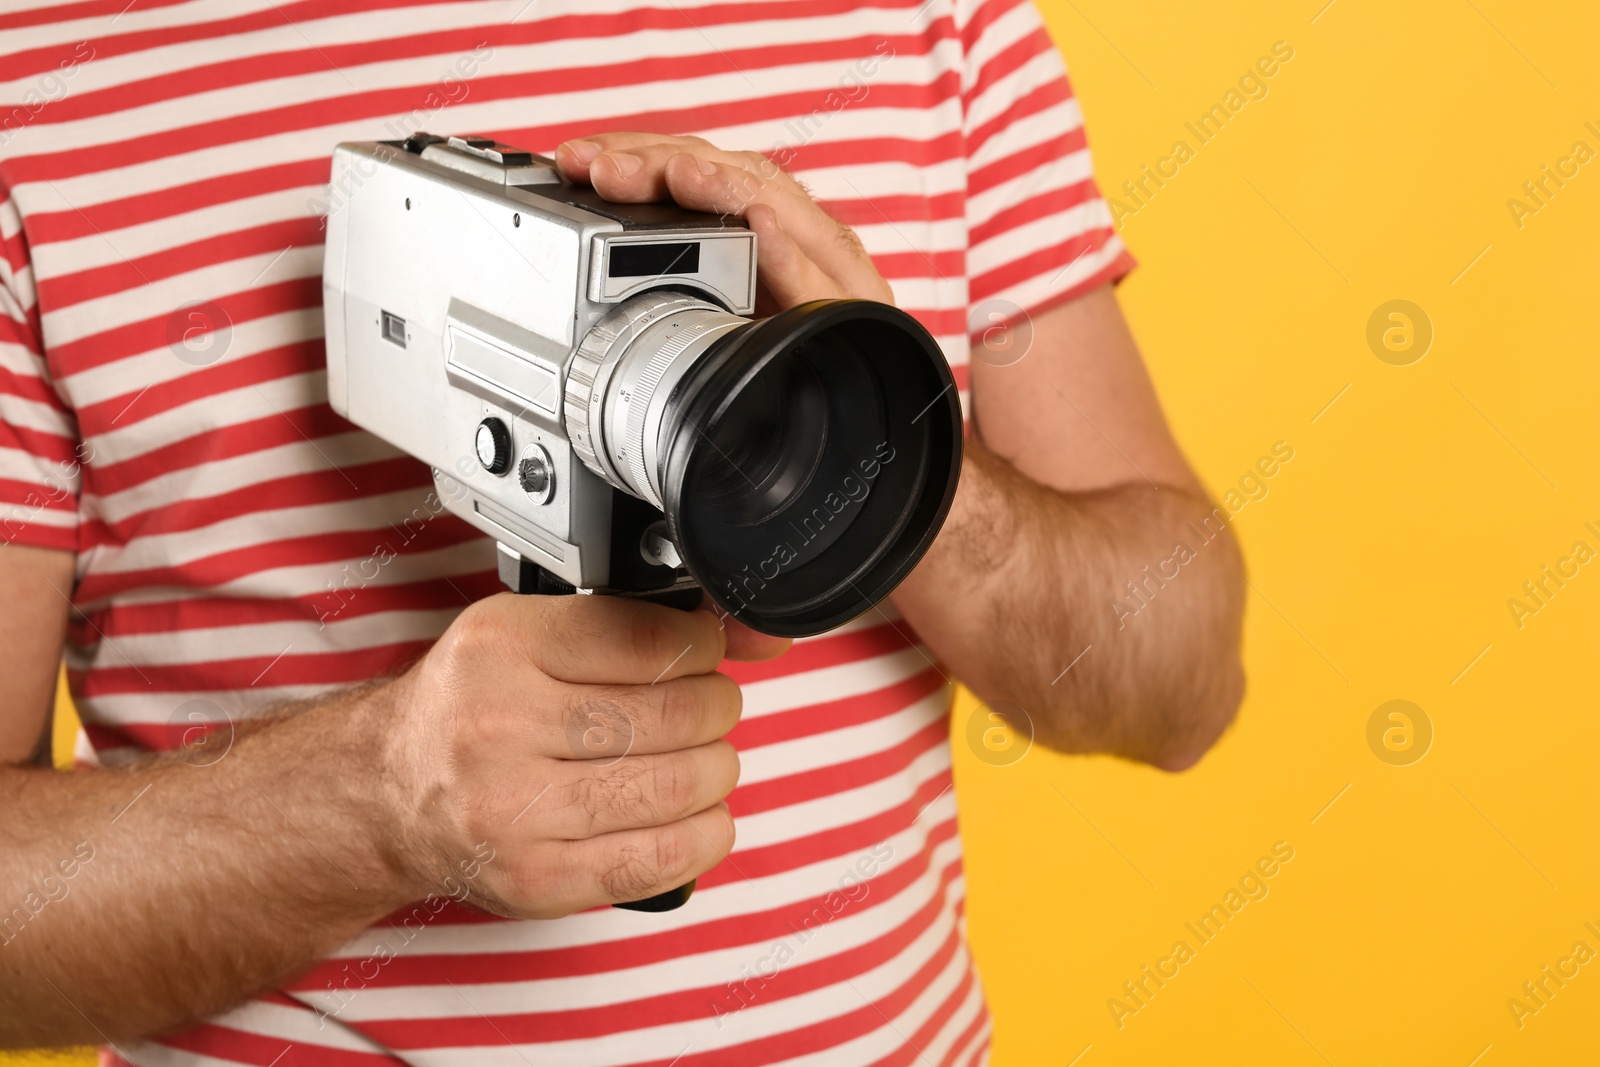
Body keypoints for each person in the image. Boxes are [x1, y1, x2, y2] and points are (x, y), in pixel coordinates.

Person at [0, 1, 1244, 1063]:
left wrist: (883, 472)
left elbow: (1181, 684)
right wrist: (378, 801)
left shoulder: (927, 24)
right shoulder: (39, 71)